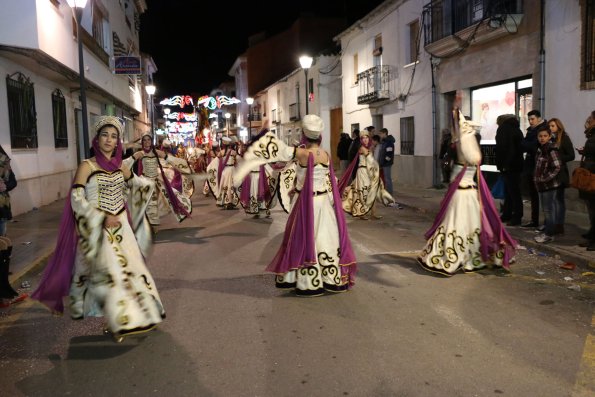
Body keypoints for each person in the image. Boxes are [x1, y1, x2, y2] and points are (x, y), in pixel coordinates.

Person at [32, 116, 165, 342]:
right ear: (97, 138)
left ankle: (126, 317)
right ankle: (117, 320)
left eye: (114, 137)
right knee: (109, 273)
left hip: (122, 228)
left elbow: (136, 185)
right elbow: (76, 197)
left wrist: (155, 185)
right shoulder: (87, 165)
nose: (109, 140)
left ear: (118, 142)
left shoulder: (120, 166)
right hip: (97, 229)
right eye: (105, 135)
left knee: (131, 271)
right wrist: (100, 218)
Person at [233, 115, 357, 296]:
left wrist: (264, 133)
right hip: (323, 203)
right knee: (325, 239)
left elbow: (275, 150)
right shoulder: (326, 155)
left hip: (306, 203)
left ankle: (307, 281)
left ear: (306, 134)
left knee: (303, 238)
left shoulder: (301, 153)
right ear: (319, 135)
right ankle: (330, 278)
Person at [418, 109, 517, 276]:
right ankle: (471, 256)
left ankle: (455, 256)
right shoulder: (473, 154)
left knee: (456, 225)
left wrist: (456, 112)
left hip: (461, 195)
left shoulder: (460, 150)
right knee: (471, 225)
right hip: (470, 194)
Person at [125, 134, 192, 233]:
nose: (147, 142)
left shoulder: (158, 153)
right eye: (145, 141)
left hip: (155, 182)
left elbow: (172, 160)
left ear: (151, 142)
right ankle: (145, 224)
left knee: (154, 203)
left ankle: (152, 224)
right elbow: (126, 163)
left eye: (149, 140)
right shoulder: (140, 153)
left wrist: (183, 165)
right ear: (142, 143)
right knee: (143, 204)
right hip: (144, 182)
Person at [340, 129, 395, 220]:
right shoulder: (363, 148)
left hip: (368, 172)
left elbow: (372, 162)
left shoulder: (368, 148)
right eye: (363, 138)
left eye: (367, 138)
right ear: (361, 139)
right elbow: (371, 161)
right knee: (363, 192)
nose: (365, 139)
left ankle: (373, 213)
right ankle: (361, 213)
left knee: (372, 191)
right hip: (363, 172)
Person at [0, 149, 25, 307]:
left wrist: (4, 187)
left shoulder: (3, 157)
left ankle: (3, 293)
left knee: (3, 245)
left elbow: (13, 181)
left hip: (2, 209)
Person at [239, 129, 279, 218]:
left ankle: (261, 209)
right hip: (256, 174)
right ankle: (258, 209)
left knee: (260, 192)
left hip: (259, 174)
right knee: (258, 192)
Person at [533, 125, 562, 243]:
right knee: (547, 210)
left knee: (548, 210)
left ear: (549, 136)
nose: (542, 138)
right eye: (540, 136)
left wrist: (545, 178)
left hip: (549, 185)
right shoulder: (541, 149)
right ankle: (548, 232)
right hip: (541, 185)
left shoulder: (551, 149)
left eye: (545, 136)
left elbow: (557, 166)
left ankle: (549, 234)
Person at [495, 114, 524, 226]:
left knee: (511, 192)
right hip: (517, 164)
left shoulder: (503, 129)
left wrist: (503, 164)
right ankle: (510, 214)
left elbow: (502, 148)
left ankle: (513, 216)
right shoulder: (517, 129)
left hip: (508, 165)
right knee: (513, 191)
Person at [548, 118, 575, 235]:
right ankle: (551, 223)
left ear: (558, 126)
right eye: (549, 126)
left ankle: (559, 224)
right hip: (550, 173)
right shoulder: (549, 139)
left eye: (552, 126)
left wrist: (557, 159)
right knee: (551, 200)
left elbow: (571, 155)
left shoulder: (564, 138)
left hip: (560, 173)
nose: (550, 128)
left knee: (558, 199)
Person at [521, 110, 547, 228]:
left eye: (533, 119)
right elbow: (523, 145)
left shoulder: (541, 130)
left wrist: (528, 145)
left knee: (543, 195)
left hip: (538, 164)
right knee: (533, 194)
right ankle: (534, 220)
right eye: (529, 119)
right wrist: (527, 145)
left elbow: (532, 146)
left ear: (539, 118)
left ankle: (547, 222)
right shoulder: (531, 130)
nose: (530, 121)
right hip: (530, 164)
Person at [577, 111, 595, 251]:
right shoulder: (591, 134)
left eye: (591, 118)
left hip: (593, 174)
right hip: (589, 173)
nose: (589, 119)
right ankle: (592, 235)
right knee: (591, 208)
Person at [206, 136, 240, 209]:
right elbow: (236, 162)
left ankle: (224, 202)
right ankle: (230, 202)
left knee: (224, 186)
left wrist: (209, 168)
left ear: (223, 144)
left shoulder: (221, 152)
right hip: (232, 170)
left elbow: (216, 162)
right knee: (232, 186)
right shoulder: (233, 152)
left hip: (225, 171)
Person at [378, 128, 395, 196]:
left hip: (387, 164)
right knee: (386, 178)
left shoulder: (389, 142)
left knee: (387, 178)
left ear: (385, 133)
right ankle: (387, 191)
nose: (380, 135)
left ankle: (389, 193)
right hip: (384, 163)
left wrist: (384, 162)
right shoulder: (384, 142)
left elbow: (389, 154)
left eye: (381, 133)